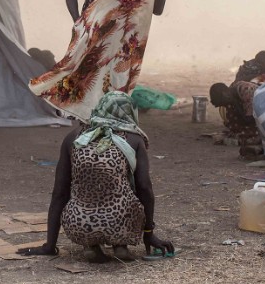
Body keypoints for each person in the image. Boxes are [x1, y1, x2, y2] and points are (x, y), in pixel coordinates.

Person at [18, 91, 174, 262]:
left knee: (86, 195)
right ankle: (120, 245)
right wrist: (148, 234)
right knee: (126, 189)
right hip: (121, 221)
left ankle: (90, 245)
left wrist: (50, 245)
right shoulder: (134, 139)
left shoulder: (74, 137)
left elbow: (59, 193)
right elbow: (144, 188)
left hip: (78, 223)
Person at [30, 0, 169, 118]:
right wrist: (79, 22)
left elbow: (157, 10)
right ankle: (84, 124)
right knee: (79, 80)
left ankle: (103, 124)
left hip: (119, 47)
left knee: (112, 88)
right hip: (90, 37)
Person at [209, 81, 263, 158]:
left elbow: (250, 120)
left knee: (251, 135)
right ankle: (245, 136)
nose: (224, 106)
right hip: (251, 116)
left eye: (222, 103)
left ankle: (252, 137)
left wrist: (236, 104)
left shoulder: (247, 91)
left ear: (225, 94)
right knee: (231, 108)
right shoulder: (231, 92)